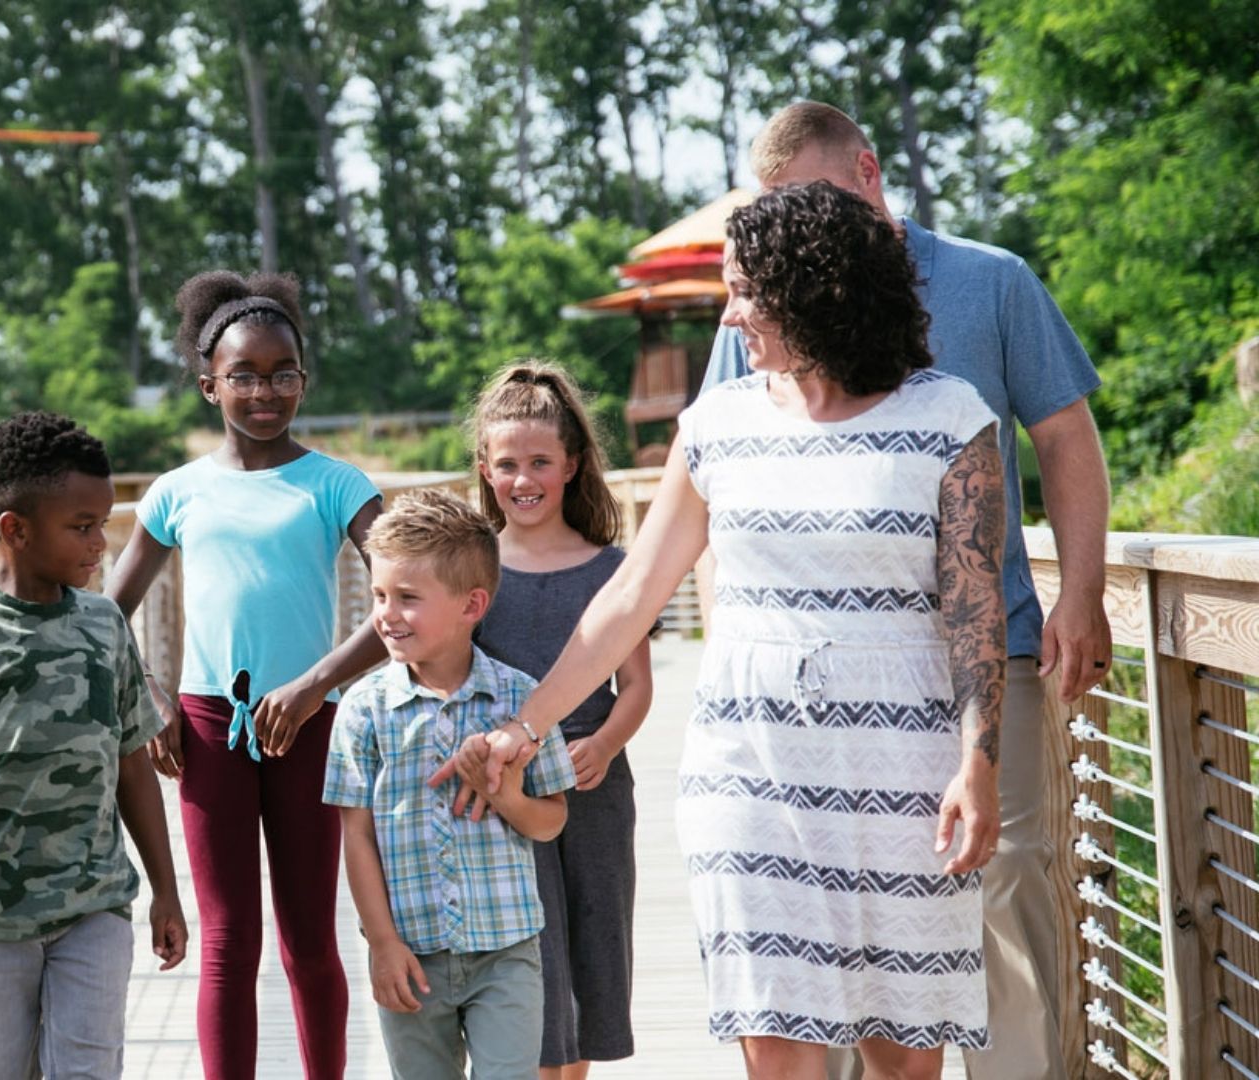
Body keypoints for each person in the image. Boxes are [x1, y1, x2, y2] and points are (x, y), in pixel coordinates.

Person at [443, 181, 1009, 1079]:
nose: (730, 314)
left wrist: (978, 763)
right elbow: (631, 595)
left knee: (902, 1059)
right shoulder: (718, 425)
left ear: (813, 289)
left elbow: (975, 616)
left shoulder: (948, 420)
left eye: (746, 291)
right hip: (749, 772)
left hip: (904, 775)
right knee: (776, 1050)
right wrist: (526, 726)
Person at [699, 101, 1111, 1080]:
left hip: (983, 650)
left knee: (1005, 885)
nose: (789, 233)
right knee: (827, 912)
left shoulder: (991, 282)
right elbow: (719, 477)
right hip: (816, 692)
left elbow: (1064, 440)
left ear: (869, 173)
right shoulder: (758, 307)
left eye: (807, 200)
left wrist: (1082, 593)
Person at [104, 270, 384, 1078]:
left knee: (309, 938)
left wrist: (314, 685)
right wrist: (151, 697)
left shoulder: (336, 484)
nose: (266, 391)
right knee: (228, 940)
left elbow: (405, 599)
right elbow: (103, 615)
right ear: (207, 385)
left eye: (282, 374)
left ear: (304, 379)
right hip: (203, 733)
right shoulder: (176, 492)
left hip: (310, 724)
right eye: (244, 376)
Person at [0, 411, 188, 1079]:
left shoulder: (105, 624)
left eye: (103, 524)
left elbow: (133, 764)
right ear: (13, 530)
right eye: (82, 527)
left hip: (94, 909)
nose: (101, 543)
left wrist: (166, 889)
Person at [324, 488, 577, 1079]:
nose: (386, 613)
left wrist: (503, 795)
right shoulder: (363, 709)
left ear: (472, 605)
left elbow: (553, 819)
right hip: (411, 956)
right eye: (379, 595)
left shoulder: (521, 701)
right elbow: (355, 837)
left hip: (507, 951)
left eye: (408, 598)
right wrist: (382, 944)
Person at [469, 361, 652, 1078]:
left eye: (540, 461)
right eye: (507, 463)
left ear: (572, 465)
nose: (524, 479)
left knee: (596, 955)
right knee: (532, 965)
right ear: (485, 469)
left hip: (596, 790)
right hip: (506, 799)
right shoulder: (474, 567)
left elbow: (635, 686)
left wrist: (605, 742)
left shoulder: (612, 569)